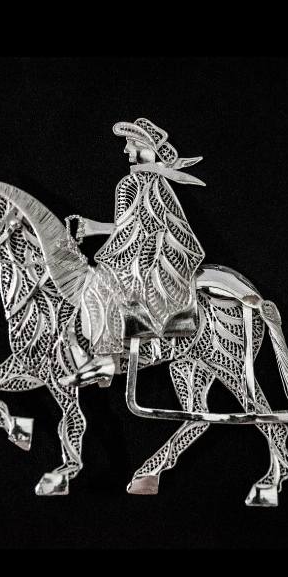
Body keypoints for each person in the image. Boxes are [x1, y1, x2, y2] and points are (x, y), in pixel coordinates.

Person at [61, 118, 206, 387]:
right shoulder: (155, 180)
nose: (126, 150)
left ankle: (105, 359)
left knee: (95, 288)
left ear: (146, 147)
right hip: (160, 256)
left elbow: (128, 229)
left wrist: (92, 228)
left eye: (130, 143)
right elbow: (141, 225)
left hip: (145, 259)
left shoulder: (132, 183)